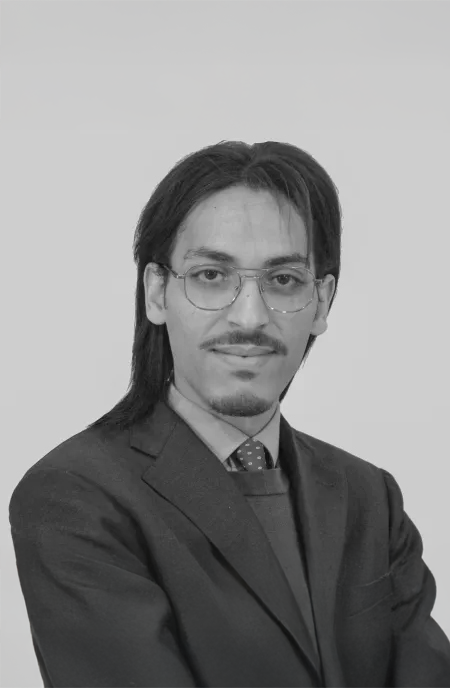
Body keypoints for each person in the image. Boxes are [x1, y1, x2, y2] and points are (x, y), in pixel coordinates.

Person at [9, 141, 450, 688]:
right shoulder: (76, 498)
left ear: (322, 302)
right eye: (212, 275)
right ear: (156, 293)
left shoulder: (370, 498)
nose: (249, 317)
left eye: (283, 280)